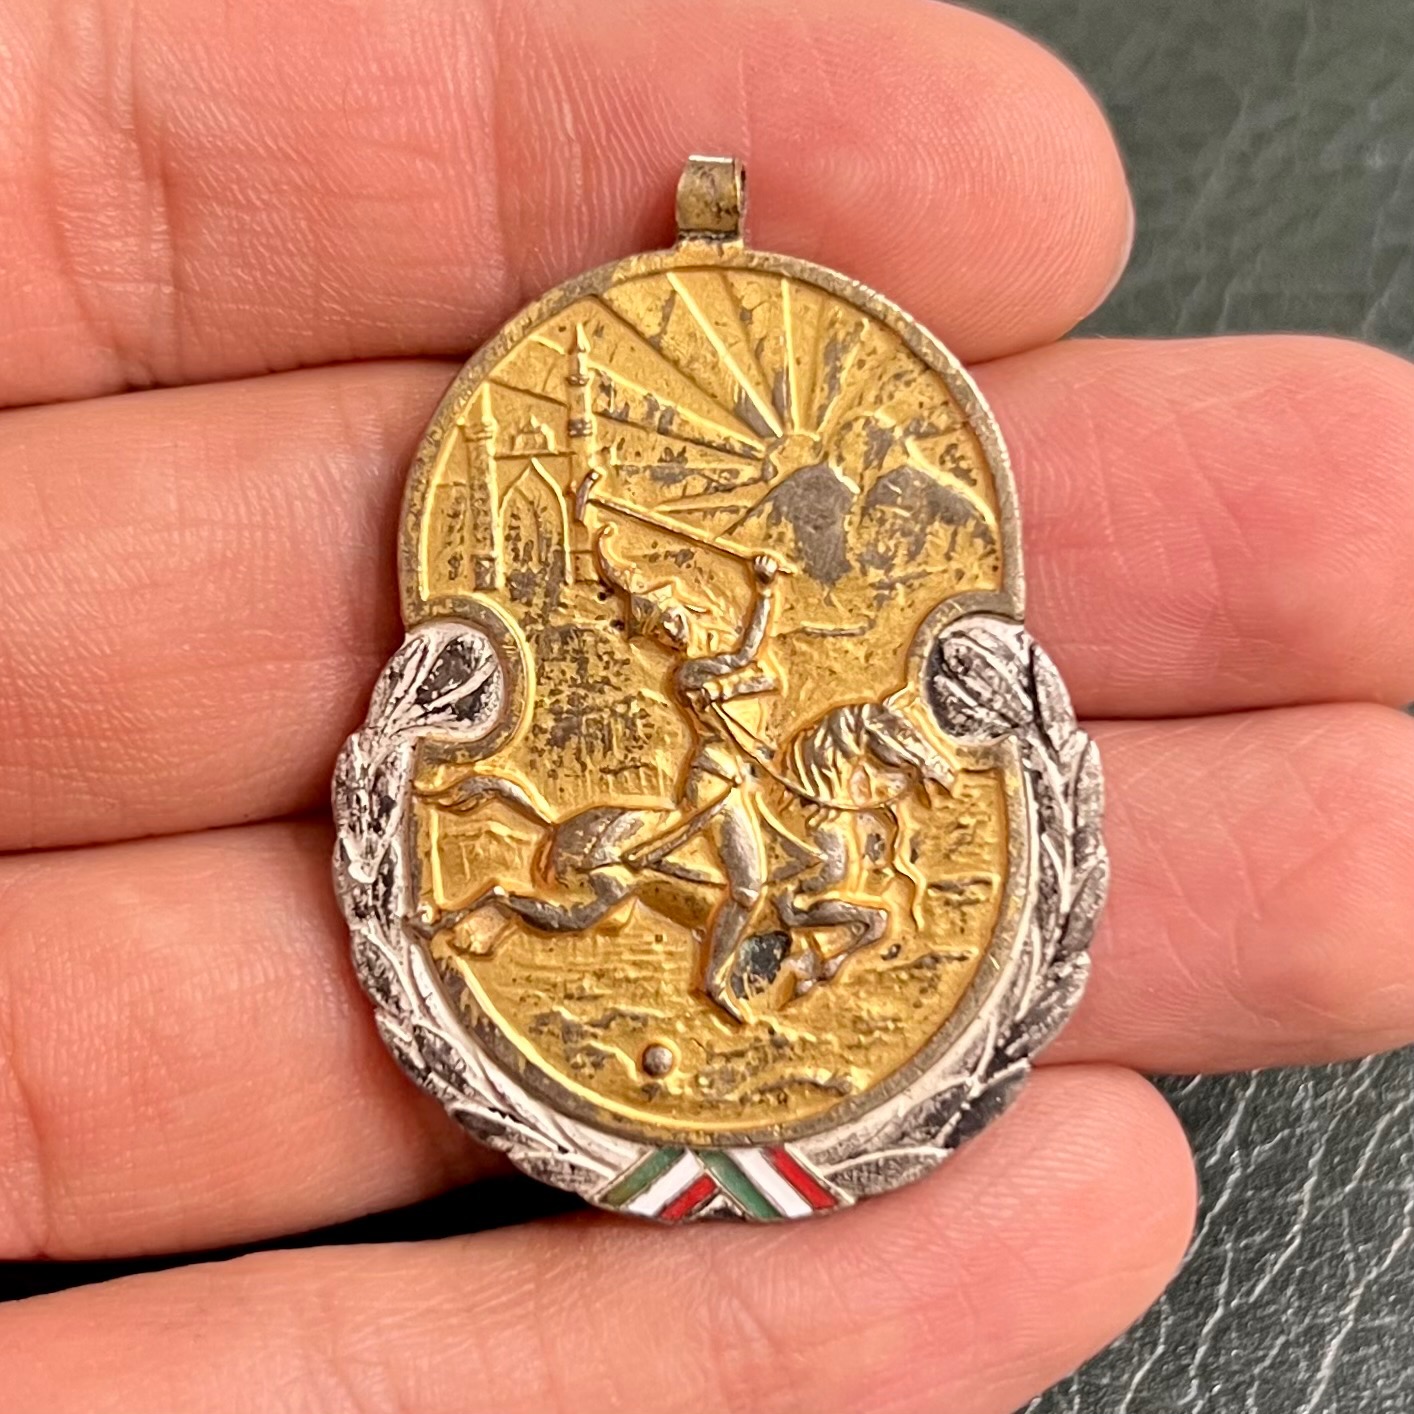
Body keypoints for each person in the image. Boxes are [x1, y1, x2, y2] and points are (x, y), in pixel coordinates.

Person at [1, 2, 1412, 1411]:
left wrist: (759, 583)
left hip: (765, 771)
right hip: (719, 789)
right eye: (680, 616)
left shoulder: (737, 633)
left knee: (807, 857)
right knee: (745, 886)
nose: (679, 621)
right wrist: (639, 544)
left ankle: (762, 948)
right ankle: (695, 951)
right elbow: (654, 602)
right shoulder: (698, 647)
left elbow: (735, 615)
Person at [594, 528, 782, 1018]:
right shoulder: (688, 673)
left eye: (672, 620)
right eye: (661, 633)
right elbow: (746, 657)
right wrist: (764, 592)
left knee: (756, 883)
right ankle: (713, 979)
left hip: (735, 778)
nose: (672, 632)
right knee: (747, 888)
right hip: (715, 784)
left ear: (683, 610)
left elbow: (756, 676)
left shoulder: (704, 665)